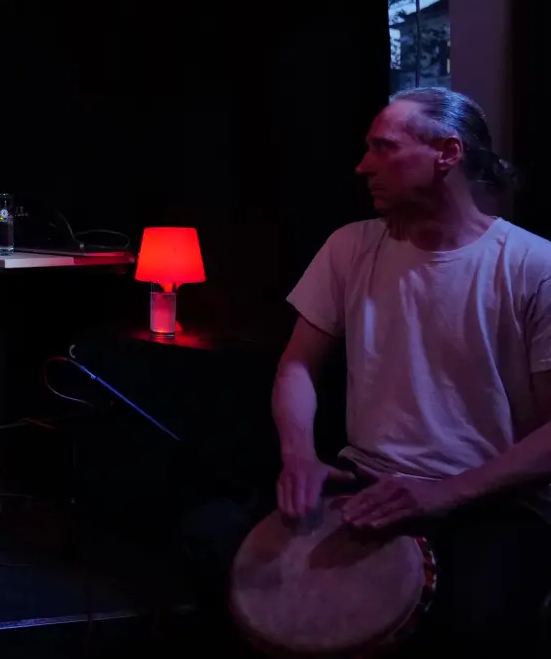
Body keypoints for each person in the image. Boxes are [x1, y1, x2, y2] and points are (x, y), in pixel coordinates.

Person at [197, 87, 551, 655]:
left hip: (491, 500)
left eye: (383, 148)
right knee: (212, 541)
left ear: (447, 153)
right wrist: (299, 457)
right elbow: (296, 368)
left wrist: (448, 494)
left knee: (473, 625)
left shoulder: (532, 265)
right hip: (366, 482)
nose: (363, 166)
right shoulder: (350, 247)